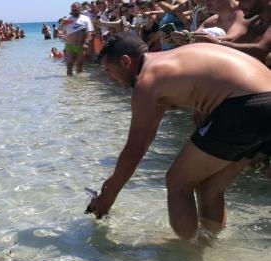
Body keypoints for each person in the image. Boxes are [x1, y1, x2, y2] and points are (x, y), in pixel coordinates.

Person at [87, 33, 271, 240]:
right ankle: (208, 248)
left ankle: (184, 254)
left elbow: (135, 150)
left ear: (125, 61)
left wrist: (109, 195)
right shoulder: (169, 65)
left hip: (248, 106)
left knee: (177, 182)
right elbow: (146, 139)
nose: (109, 78)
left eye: (108, 70)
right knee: (209, 187)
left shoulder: (148, 80)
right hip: (262, 101)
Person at [61, 2, 94, 75]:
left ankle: (79, 84)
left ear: (80, 9)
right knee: (69, 65)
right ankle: (70, 84)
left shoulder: (86, 18)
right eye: (73, 10)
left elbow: (89, 32)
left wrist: (86, 43)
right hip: (70, 45)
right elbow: (60, 30)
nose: (74, 12)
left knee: (80, 66)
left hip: (81, 46)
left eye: (76, 10)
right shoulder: (68, 19)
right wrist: (62, 24)